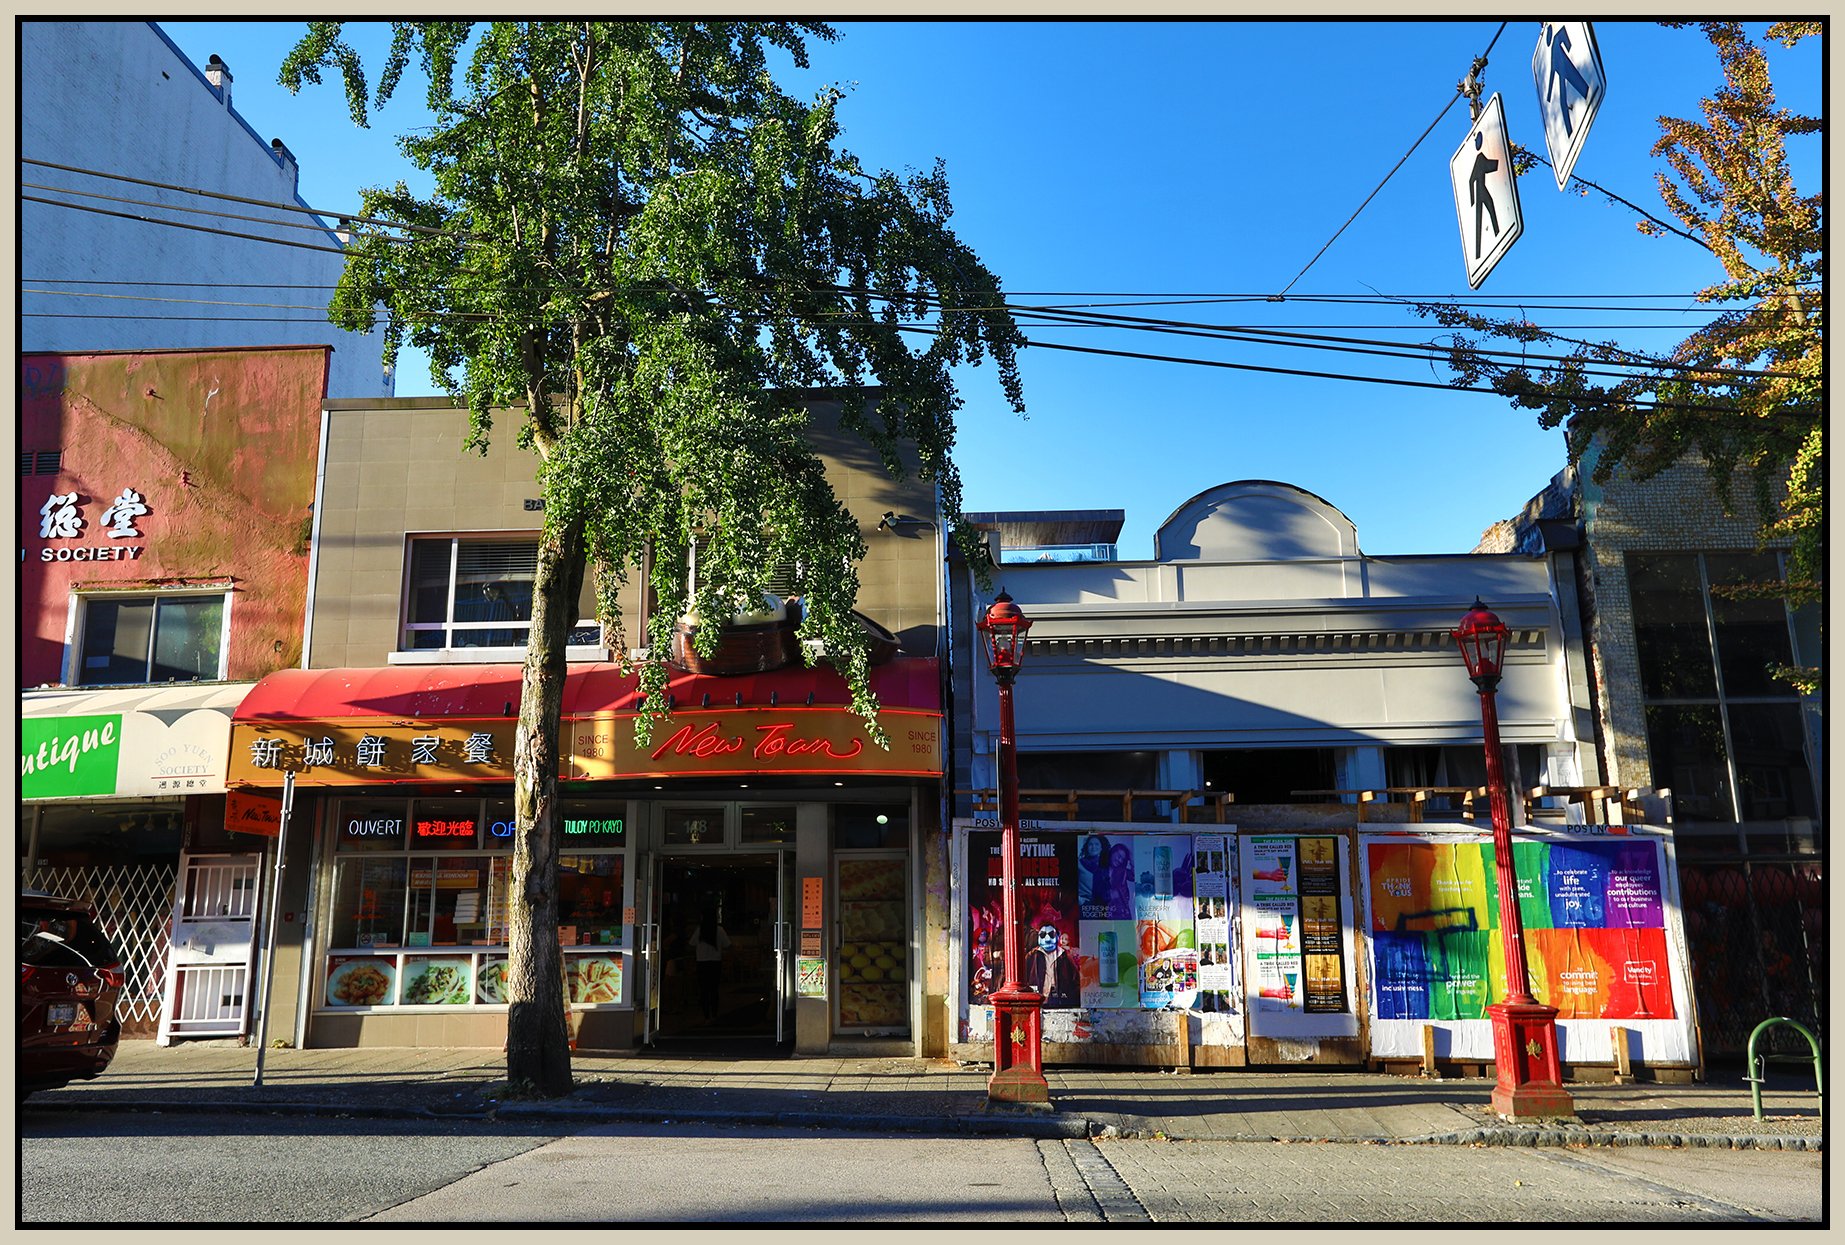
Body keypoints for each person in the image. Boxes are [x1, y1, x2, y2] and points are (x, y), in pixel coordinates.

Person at [1022, 923, 1080, 1009]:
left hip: (1060, 1005)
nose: (1047, 939)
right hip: (1037, 1004)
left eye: (1051, 935)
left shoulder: (1065, 957)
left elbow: (1075, 982)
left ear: (1057, 936)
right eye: (1042, 935)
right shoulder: (1032, 956)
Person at [692, 903, 730, 1021]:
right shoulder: (720, 930)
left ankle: (706, 1014)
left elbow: (691, 944)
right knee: (714, 989)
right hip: (715, 963)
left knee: (703, 989)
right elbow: (728, 945)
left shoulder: (700, 930)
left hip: (702, 962)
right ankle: (714, 1012)